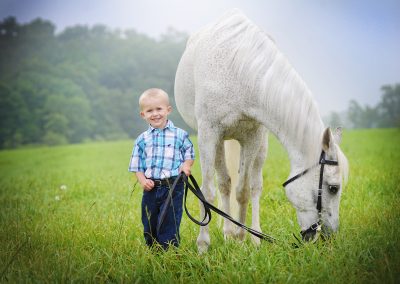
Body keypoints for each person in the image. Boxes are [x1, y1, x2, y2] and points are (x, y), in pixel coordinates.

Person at [128, 88, 195, 250]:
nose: (155, 114)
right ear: (143, 114)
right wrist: (143, 180)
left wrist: (186, 166)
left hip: (173, 186)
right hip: (151, 189)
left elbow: (189, 152)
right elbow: (137, 165)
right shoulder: (142, 139)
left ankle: (169, 251)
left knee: (170, 221)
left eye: (159, 109)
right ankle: (153, 250)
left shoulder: (180, 134)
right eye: (149, 110)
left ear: (168, 110)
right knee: (149, 222)